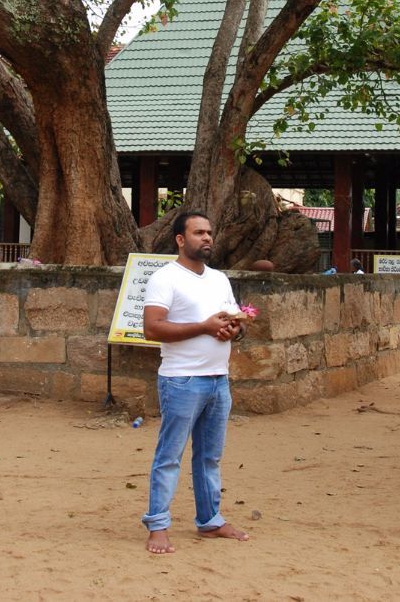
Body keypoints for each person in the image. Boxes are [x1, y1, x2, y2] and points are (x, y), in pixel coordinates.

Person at [141, 211, 249, 555]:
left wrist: (236, 329)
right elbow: (152, 328)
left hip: (219, 380)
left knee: (209, 457)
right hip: (182, 380)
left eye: (210, 232)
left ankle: (210, 520)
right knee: (169, 455)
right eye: (199, 232)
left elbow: (235, 321)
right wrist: (202, 327)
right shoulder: (164, 278)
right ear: (180, 239)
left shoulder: (219, 279)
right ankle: (157, 525)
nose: (207, 238)